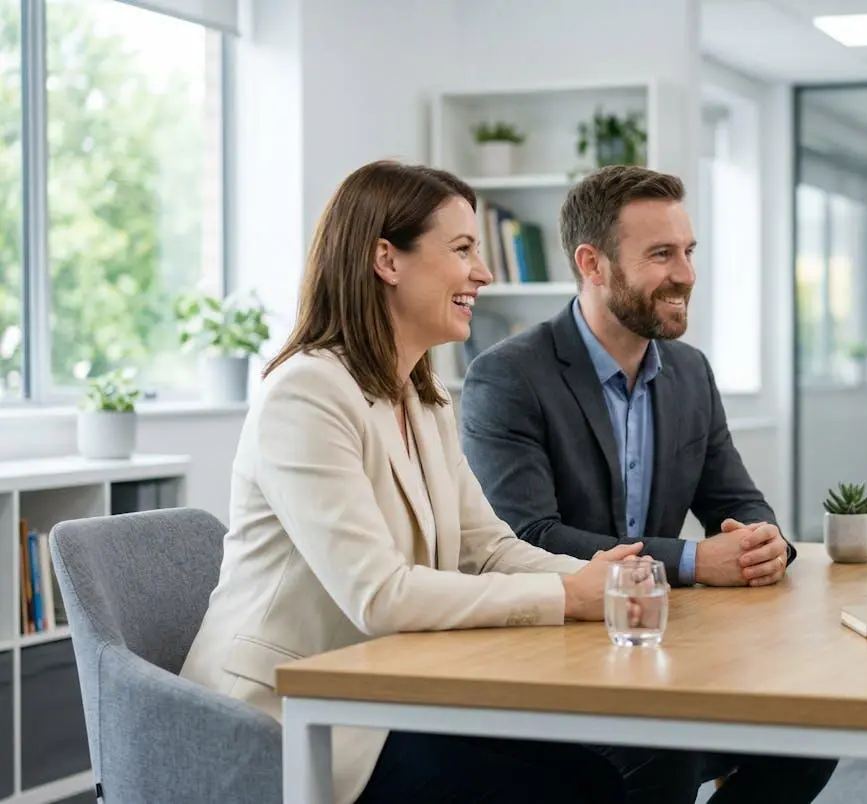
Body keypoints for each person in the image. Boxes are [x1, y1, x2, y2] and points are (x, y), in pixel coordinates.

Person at [178, 160, 635, 804]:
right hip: (283, 716)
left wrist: (597, 581)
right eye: (463, 250)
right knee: (569, 791)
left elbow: (488, 549)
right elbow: (380, 595)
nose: (485, 272)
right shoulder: (306, 392)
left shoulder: (425, 399)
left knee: (595, 777)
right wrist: (568, 599)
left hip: (383, 693)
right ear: (386, 260)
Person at [461, 164, 836, 803]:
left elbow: (736, 500)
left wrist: (762, 539)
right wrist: (693, 560)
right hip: (555, 653)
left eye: (688, 252)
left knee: (813, 731)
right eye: (661, 254)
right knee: (661, 751)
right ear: (593, 263)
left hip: (665, 646)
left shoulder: (689, 372)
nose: (686, 274)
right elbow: (529, 537)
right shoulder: (508, 377)